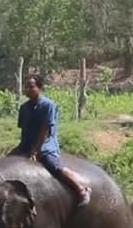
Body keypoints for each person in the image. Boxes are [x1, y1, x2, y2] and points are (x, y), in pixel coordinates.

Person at [11, 74, 91, 206]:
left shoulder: (48, 105)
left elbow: (45, 130)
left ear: (39, 88)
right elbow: (23, 129)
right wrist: (23, 148)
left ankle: (81, 189)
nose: (28, 89)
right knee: (7, 160)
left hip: (44, 146)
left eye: (31, 87)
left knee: (54, 166)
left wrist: (35, 151)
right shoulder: (24, 108)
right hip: (26, 144)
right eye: (26, 87)